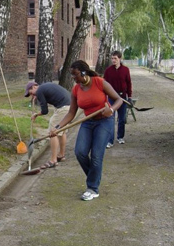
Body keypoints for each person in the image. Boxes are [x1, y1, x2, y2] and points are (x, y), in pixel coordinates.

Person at [50, 60, 122, 201]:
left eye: (75, 75)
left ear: (83, 72)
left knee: (96, 156)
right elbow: (71, 113)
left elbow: (118, 99)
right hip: (88, 122)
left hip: (104, 122)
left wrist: (111, 109)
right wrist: (58, 127)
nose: (73, 78)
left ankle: (92, 188)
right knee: (80, 152)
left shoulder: (99, 82)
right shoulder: (76, 89)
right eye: (72, 75)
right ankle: (94, 177)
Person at [24, 81, 71, 169]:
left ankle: (53, 160)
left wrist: (36, 114)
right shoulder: (44, 87)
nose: (32, 96)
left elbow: (45, 111)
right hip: (69, 106)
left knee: (53, 131)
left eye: (31, 93)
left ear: (34, 87)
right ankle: (61, 155)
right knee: (61, 131)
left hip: (63, 108)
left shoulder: (39, 91)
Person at [103, 50, 133, 148]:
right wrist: (104, 98)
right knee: (110, 118)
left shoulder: (125, 70)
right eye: (112, 58)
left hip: (122, 98)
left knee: (121, 119)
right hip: (112, 98)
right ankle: (110, 141)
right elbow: (104, 84)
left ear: (120, 59)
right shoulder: (108, 71)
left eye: (115, 58)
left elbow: (128, 83)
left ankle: (120, 137)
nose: (113, 60)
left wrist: (130, 97)